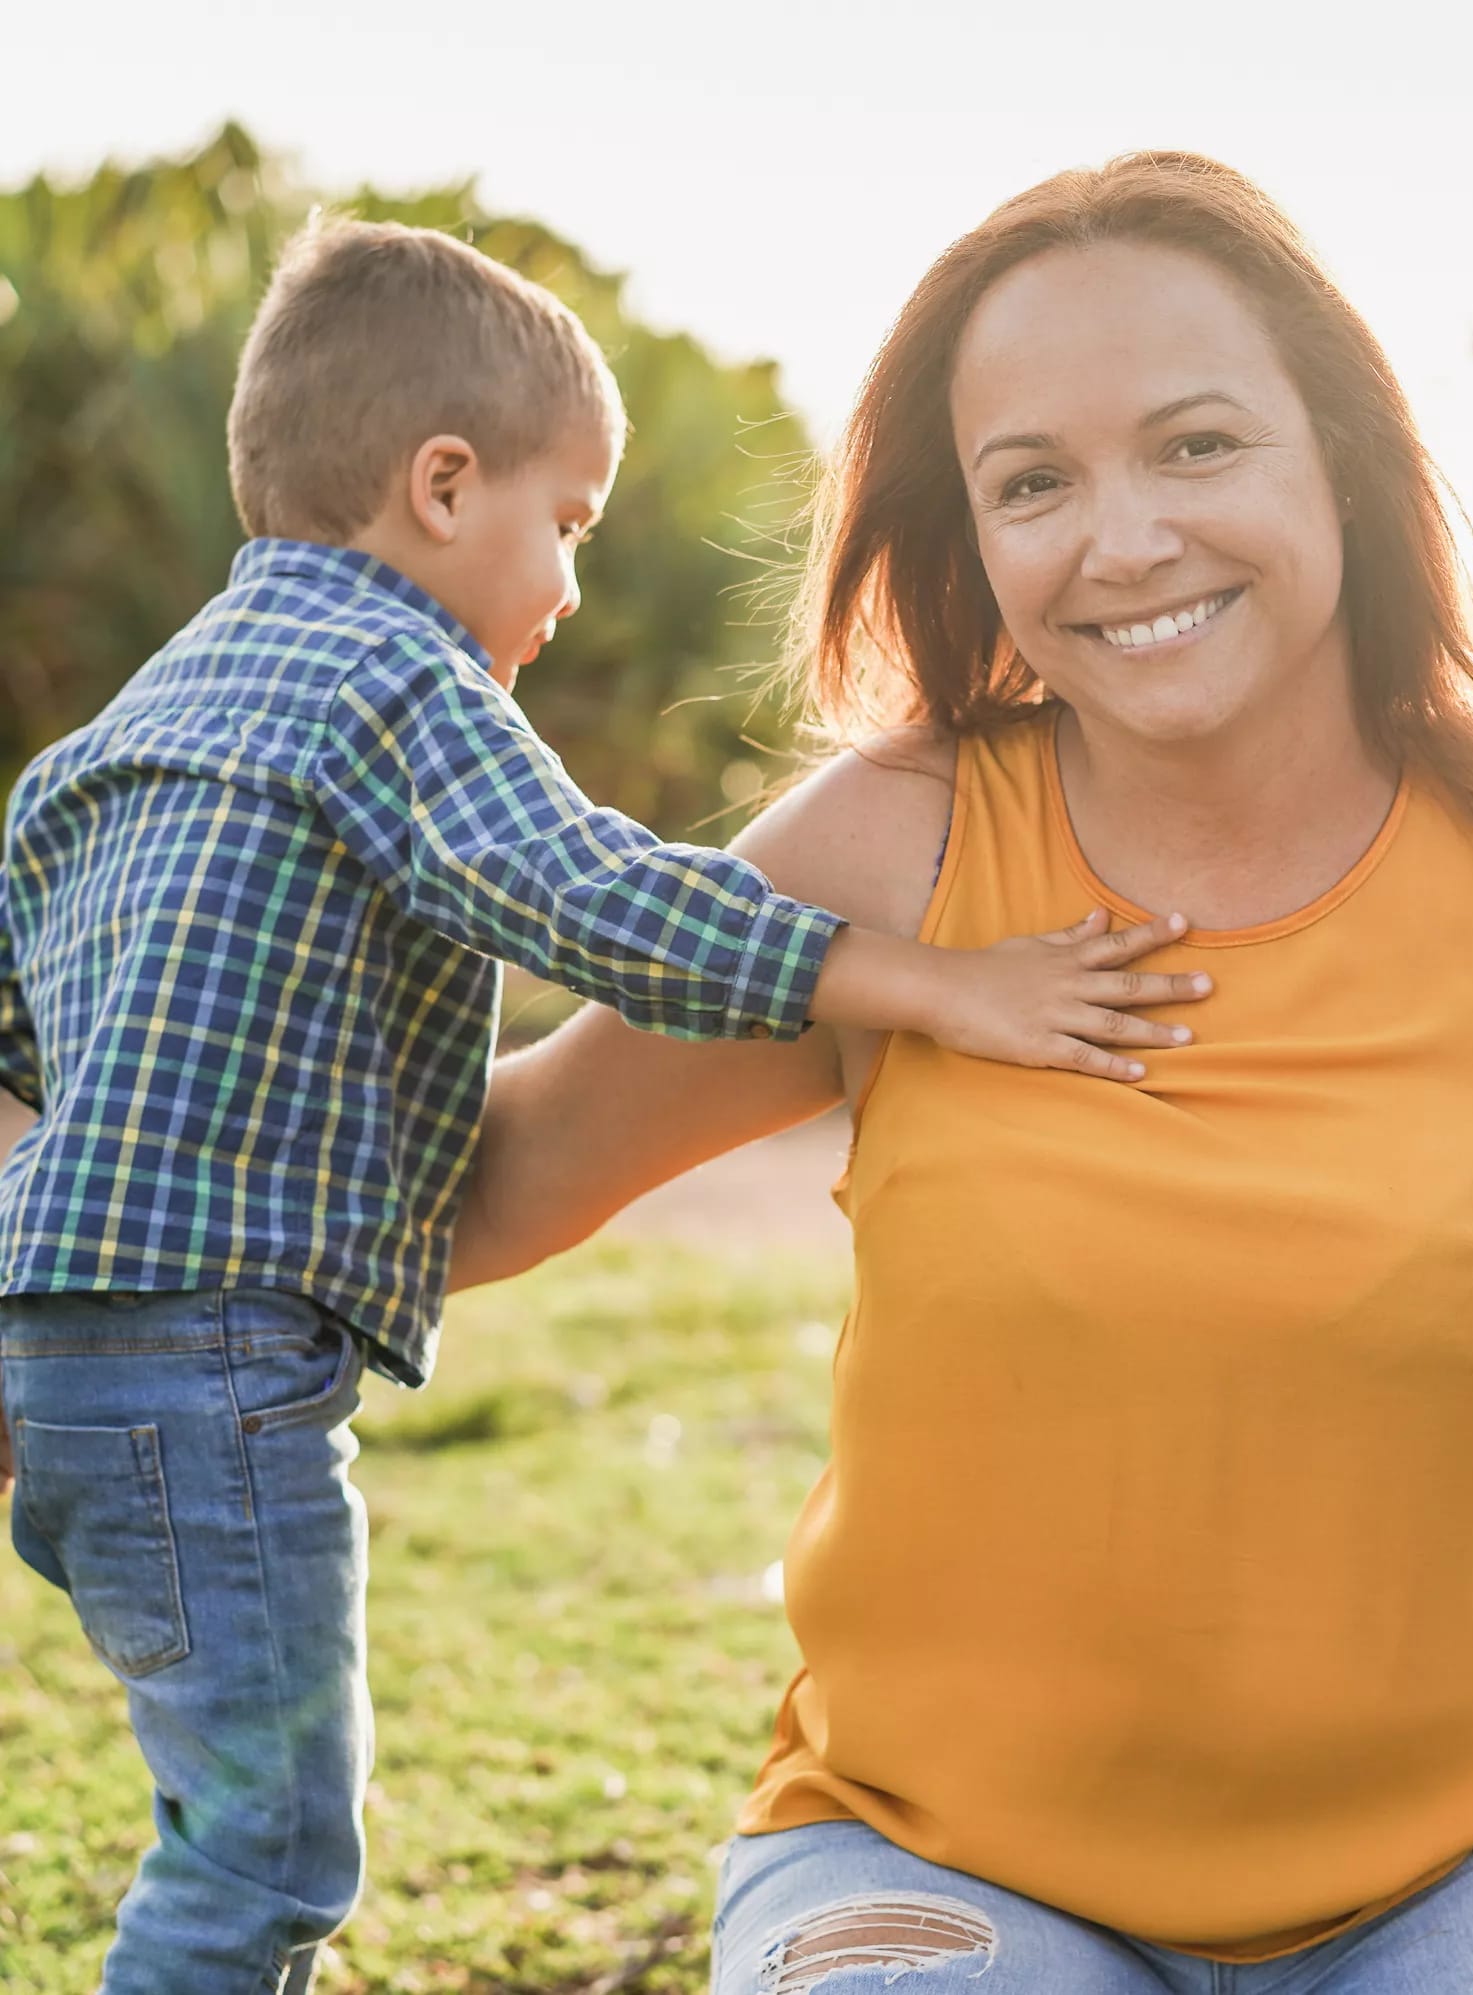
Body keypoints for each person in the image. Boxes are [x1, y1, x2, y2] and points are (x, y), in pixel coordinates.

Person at [451, 153, 1473, 1994]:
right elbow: (507, 1177)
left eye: (1197, 445)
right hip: (930, 1858)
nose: (1121, 538)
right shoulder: (885, 853)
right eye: (1033, 483)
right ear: (971, 535)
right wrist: (85, 1185)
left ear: (1342, 461)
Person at [0, 216, 1205, 1994]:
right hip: (222, 1372)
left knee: (222, 1812)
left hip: (71, 1365)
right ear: (439, 485)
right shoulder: (389, 676)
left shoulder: (118, 737)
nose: (567, 587)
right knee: (262, 1860)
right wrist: (938, 978)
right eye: (562, 526)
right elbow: (597, 896)